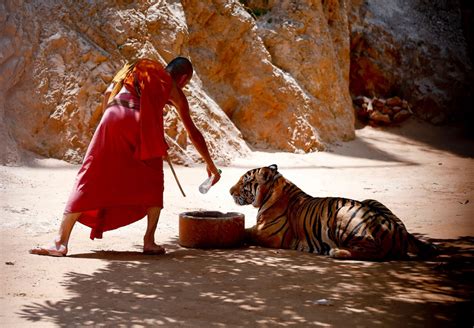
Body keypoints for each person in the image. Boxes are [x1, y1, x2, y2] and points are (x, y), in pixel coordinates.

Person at [30, 57, 221, 256]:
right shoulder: (174, 88)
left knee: (90, 174)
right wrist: (211, 165)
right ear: (182, 79)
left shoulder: (137, 66)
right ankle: (149, 241)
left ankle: (60, 242)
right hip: (141, 125)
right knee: (153, 182)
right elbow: (193, 133)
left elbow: (107, 93)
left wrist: (111, 122)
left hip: (113, 115)